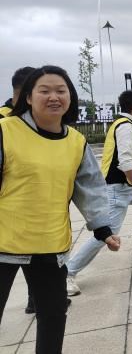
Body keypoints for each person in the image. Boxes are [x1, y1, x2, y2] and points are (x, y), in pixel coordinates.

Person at [0, 65, 120, 353]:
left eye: (60, 91)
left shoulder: (76, 141)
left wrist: (102, 228)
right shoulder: (5, 131)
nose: (53, 97)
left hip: (50, 244)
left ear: (70, 97)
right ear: (28, 97)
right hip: (4, 243)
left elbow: (89, 187)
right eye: (44, 91)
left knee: (53, 316)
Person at [66, 89, 132, 296]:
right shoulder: (126, 127)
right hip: (117, 188)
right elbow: (125, 160)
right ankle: (68, 272)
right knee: (107, 233)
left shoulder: (123, 123)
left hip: (125, 185)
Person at [0, 66, 37, 314]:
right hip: (6, 225)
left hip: (32, 220)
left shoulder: (31, 122)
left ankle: (36, 300)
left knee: (36, 261)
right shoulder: (5, 124)